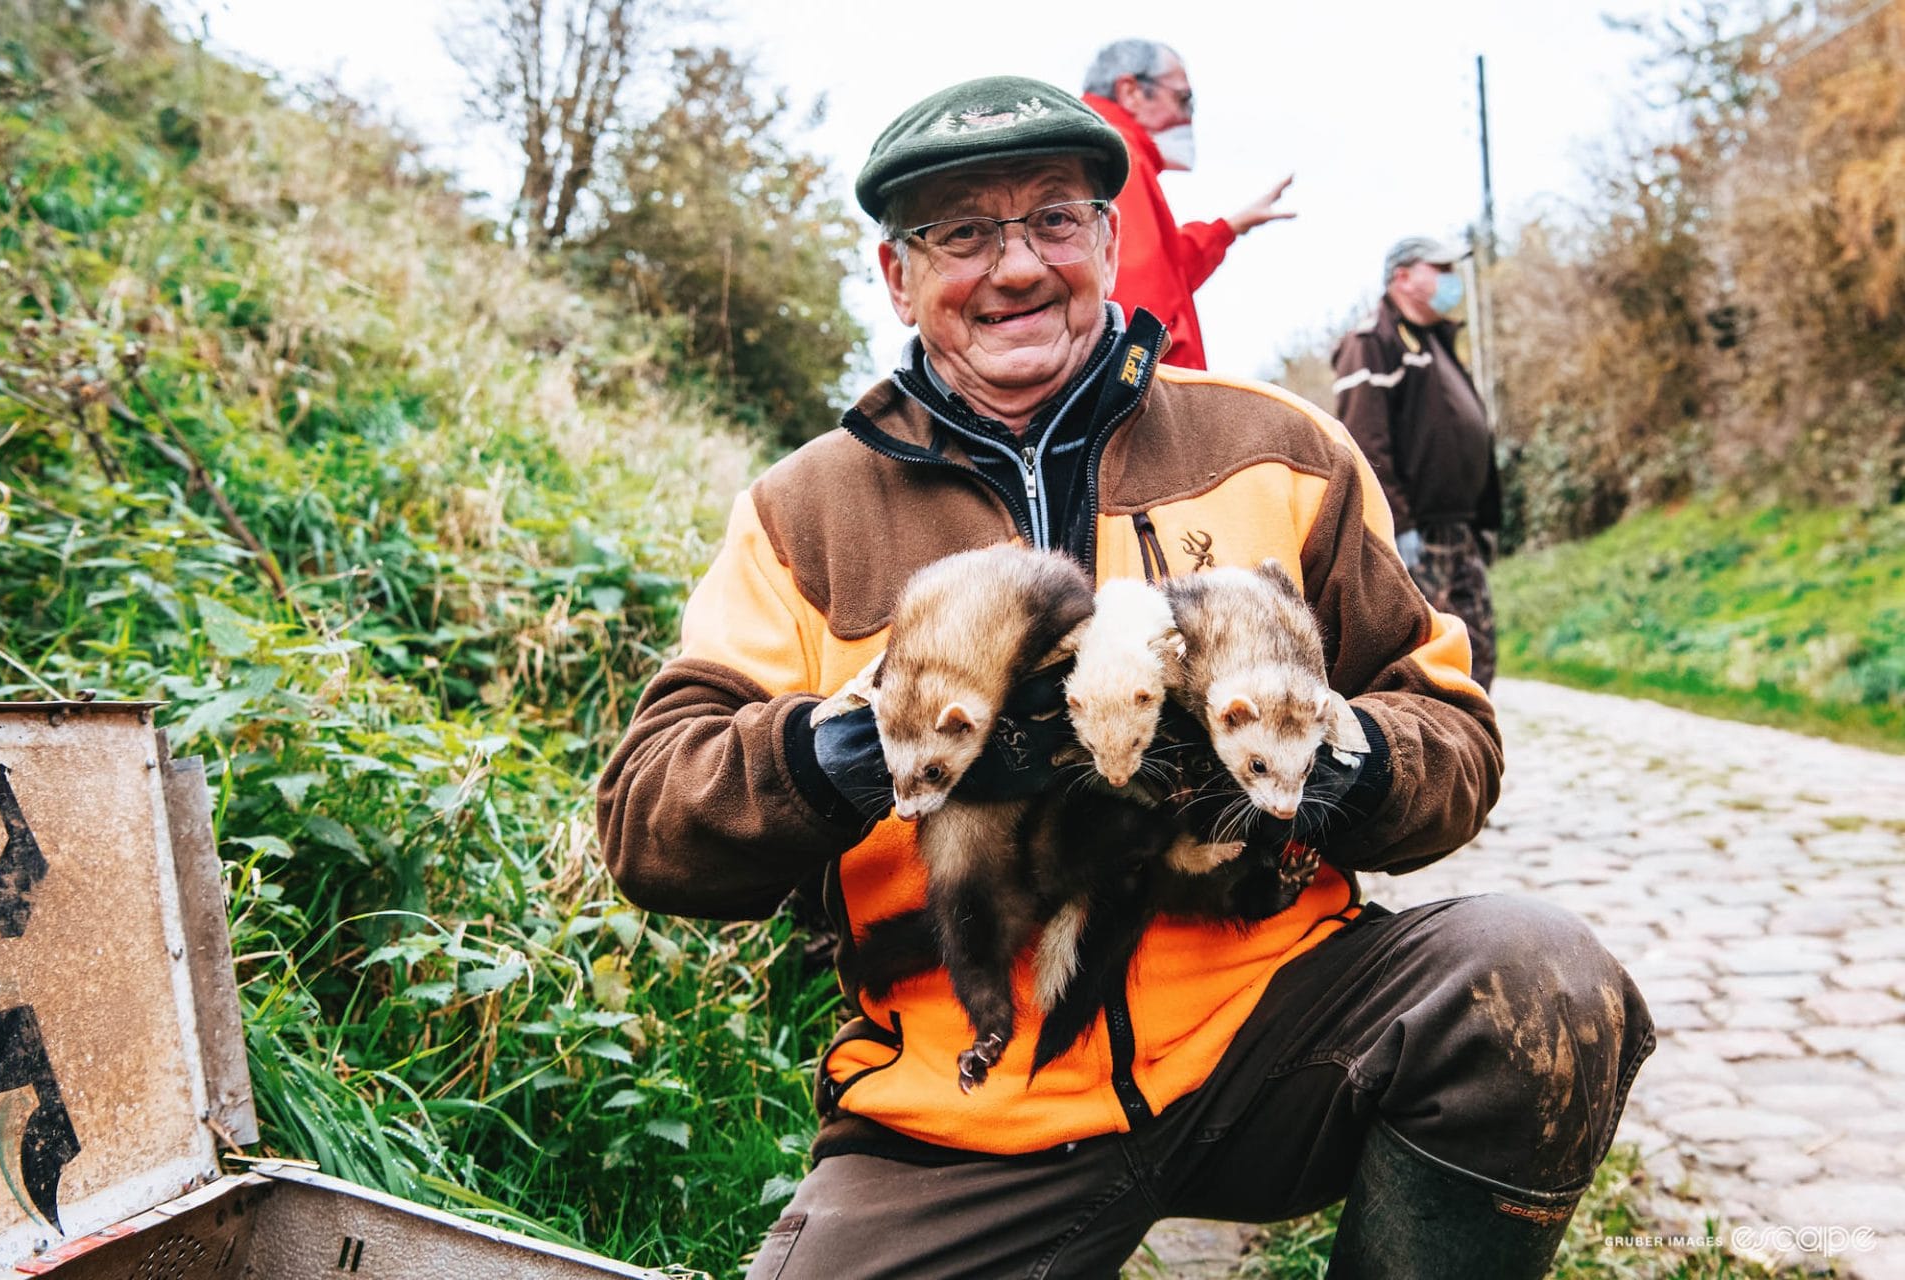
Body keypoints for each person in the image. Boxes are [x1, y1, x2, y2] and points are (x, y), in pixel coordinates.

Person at [597, 75, 1651, 1279]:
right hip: (965, 1101)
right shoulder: (802, 513)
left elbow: (1454, 735)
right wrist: (861, 744)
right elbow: (648, 821)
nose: (1016, 266)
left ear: (1107, 238)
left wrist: (1330, 756)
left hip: (1281, 1026)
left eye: (1054, 219)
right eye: (962, 231)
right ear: (897, 273)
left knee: (1536, 977)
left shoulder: (1280, 447)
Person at [1332, 236, 1504, 690]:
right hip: (1418, 537)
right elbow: (1364, 443)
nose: (1451, 279)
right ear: (1403, 277)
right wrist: (1399, 526)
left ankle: (1474, 759)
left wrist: (1484, 521)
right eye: (1440, 268)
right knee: (1435, 670)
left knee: (1477, 658)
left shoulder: (1435, 339)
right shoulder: (1371, 343)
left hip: (1458, 532)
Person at [1080, 39, 1294, 370]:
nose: (1187, 115)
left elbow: (1166, 271)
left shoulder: (1105, 154)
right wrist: (1185, 399)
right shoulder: (1119, 157)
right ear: (1131, 92)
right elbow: (1143, 303)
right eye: (1184, 98)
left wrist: (1230, 228)